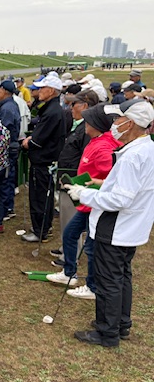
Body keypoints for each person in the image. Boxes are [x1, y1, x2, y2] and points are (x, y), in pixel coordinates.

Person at [68, 101, 154, 347]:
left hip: (116, 227)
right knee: (122, 276)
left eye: (118, 120)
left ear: (131, 123)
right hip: (131, 226)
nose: (114, 125)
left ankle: (107, 331)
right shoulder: (146, 148)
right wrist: (100, 184)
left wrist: (83, 194)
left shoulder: (132, 156)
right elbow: (128, 187)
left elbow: (119, 199)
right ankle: (120, 323)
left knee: (108, 280)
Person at [46, 103, 121, 299]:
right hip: (87, 202)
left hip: (95, 204)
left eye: (88, 121)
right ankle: (69, 273)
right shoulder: (96, 140)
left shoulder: (104, 147)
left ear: (96, 124)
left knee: (90, 247)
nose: (85, 123)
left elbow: (112, 178)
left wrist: (91, 188)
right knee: (70, 234)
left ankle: (92, 286)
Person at [21, 75, 65, 243]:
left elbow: (37, 141)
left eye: (42, 88)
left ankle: (40, 231)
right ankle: (44, 228)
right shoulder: (51, 109)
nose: (39, 91)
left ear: (51, 91)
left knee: (39, 198)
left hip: (42, 161)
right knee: (44, 197)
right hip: (46, 161)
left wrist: (28, 142)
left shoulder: (51, 112)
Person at [54, 90, 99, 252]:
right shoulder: (80, 126)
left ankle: (70, 254)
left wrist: (75, 181)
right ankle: (66, 249)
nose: (70, 108)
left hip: (74, 179)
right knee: (66, 217)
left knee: (70, 218)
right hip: (68, 177)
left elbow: (85, 158)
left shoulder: (87, 129)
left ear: (84, 106)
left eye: (74, 104)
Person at [0, 80, 21, 225]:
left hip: (7, 148)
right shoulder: (9, 105)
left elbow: (2, 131)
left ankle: (5, 209)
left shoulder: (7, 108)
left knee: (5, 179)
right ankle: (8, 207)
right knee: (8, 178)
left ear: (4, 91)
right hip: (10, 147)